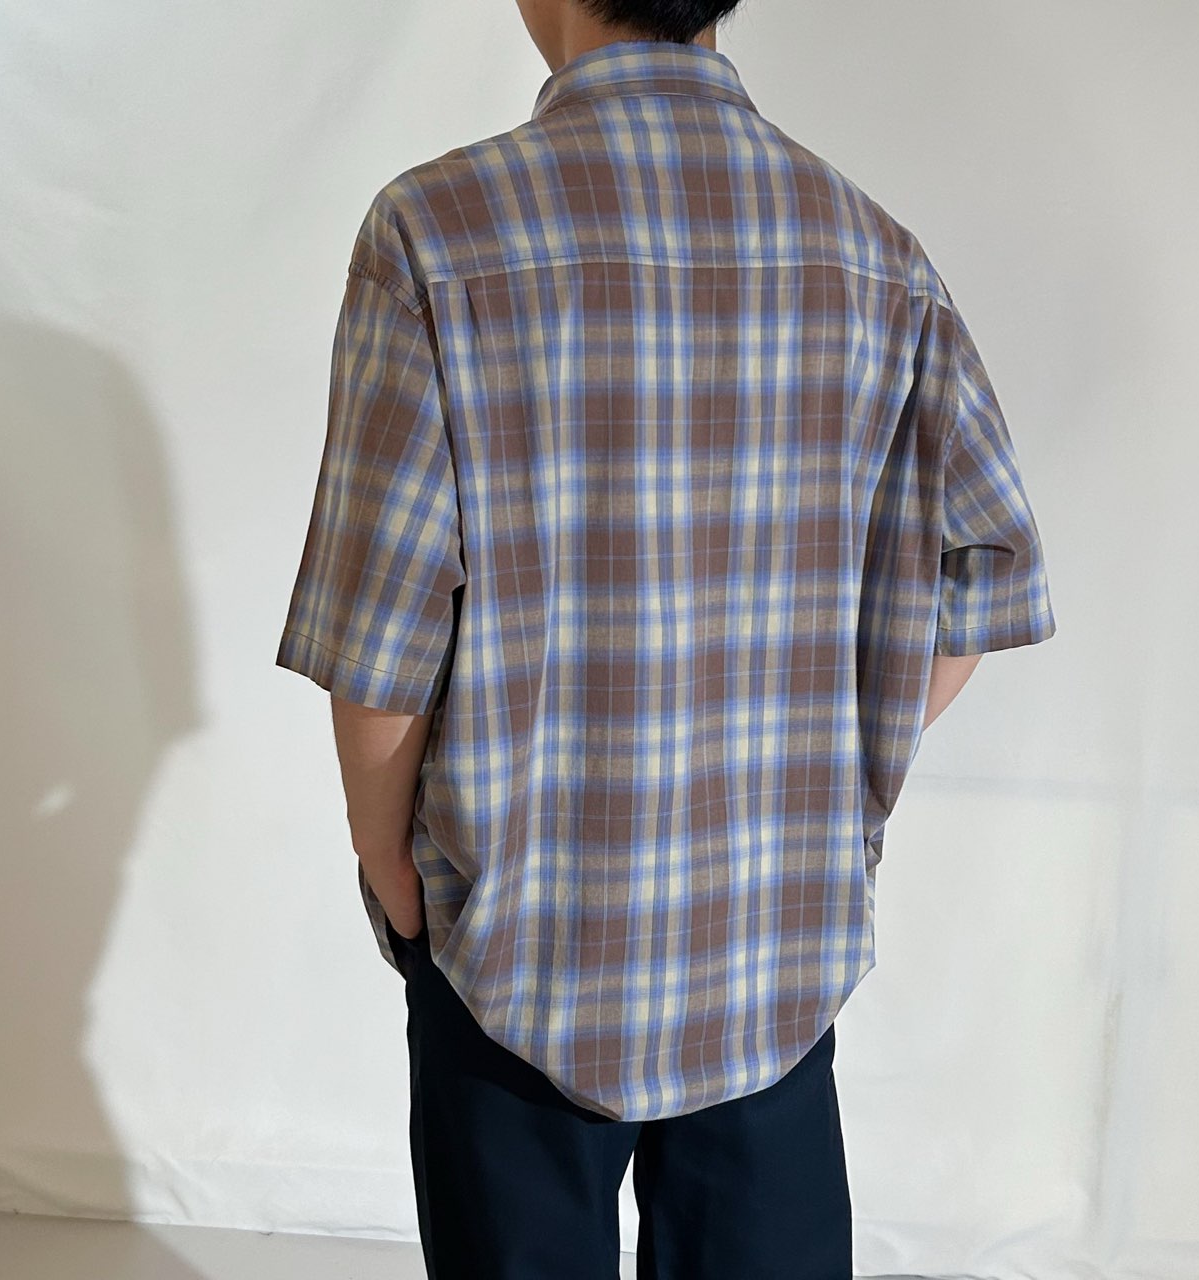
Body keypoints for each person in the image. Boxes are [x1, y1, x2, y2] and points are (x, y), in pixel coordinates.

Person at [274, 0, 1057, 1274]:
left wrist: (388, 867)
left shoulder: (436, 231)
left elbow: (379, 637)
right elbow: (982, 574)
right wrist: (824, 758)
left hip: (513, 946)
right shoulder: (871, 252)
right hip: (771, 950)